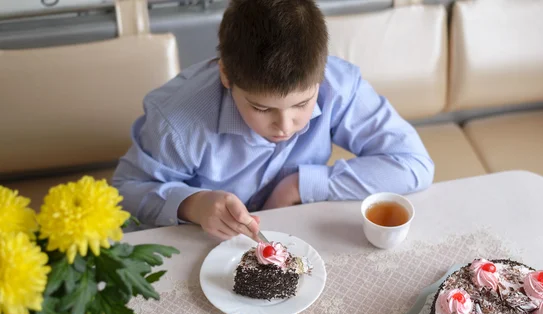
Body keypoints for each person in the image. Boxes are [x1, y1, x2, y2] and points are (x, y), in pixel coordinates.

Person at [112, 0, 434, 241]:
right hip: (202, 247)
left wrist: (298, 185)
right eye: (262, 108)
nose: (285, 125)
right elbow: (125, 192)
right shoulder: (179, 122)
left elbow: (414, 164)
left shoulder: (339, 85)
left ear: (320, 77)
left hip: (295, 237)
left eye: (303, 104)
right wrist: (192, 205)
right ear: (226, 74)